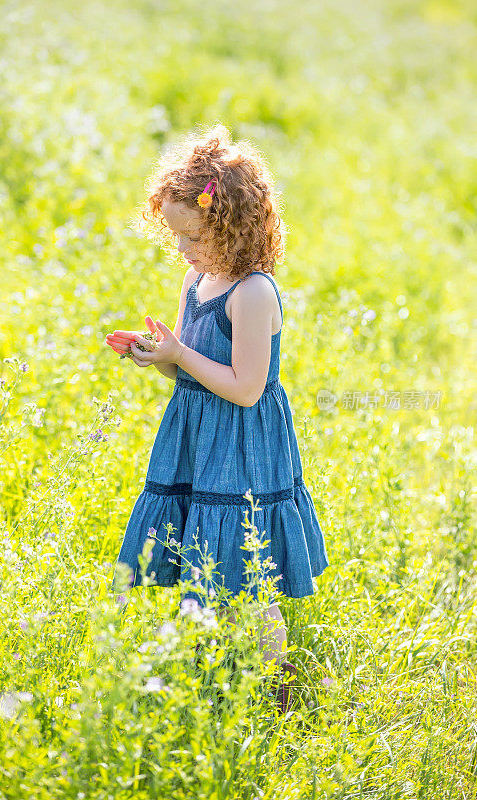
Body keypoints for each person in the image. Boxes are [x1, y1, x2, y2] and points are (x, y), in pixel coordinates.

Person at [106, 125, 329, 713]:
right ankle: (210, 674)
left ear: (232, 227)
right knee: (201, 556)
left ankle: (278, 688)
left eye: (193, 237)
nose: (183, 250)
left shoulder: (254, 294)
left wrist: (181, 355)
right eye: (176, 237)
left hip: (243, 439)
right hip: (197, 434)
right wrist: (160, 357)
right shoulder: (198, 278)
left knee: (248, 577)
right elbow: (189, 369)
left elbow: (248, 388)